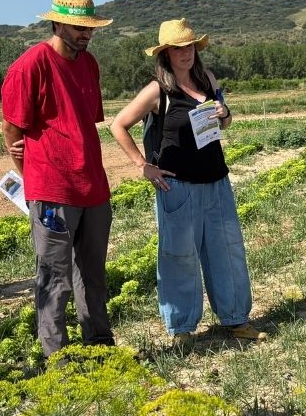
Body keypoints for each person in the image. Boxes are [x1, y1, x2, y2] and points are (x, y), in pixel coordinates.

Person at [109, 18, 259, 353]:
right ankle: (182, 328)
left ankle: (236, 319)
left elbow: (225, 122)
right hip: (177, 188)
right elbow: (118, 125)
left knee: (227, 251)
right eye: (178, 48)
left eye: (189, 46)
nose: (186, 53)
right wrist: (143, 165)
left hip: (216, 181)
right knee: (180, 257)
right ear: (165, 54)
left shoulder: (208, 79)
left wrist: (224, 113)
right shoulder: (157, 91)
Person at [1, 0, 115, 358]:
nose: (87, 34)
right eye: (79, 27)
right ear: (57, 24)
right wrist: (34, 179)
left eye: (90, 28)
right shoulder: (30, 65)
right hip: (52, 190)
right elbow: (12, 129)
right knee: (54, 277)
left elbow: (84, 121)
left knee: (93, 273)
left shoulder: (89, 64)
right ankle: (59, 358)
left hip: (93, 186)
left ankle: (99, 344)